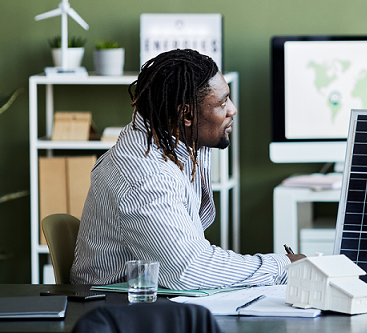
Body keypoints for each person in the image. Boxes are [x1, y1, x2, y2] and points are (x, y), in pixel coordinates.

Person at [71, 49, 304, 289]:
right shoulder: (146, 177)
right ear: (187, 114)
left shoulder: (167, 143)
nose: (232, 110)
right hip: (122, 311)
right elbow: (190, 270)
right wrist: (282, 266)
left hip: (151, 300)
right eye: (222, 103)